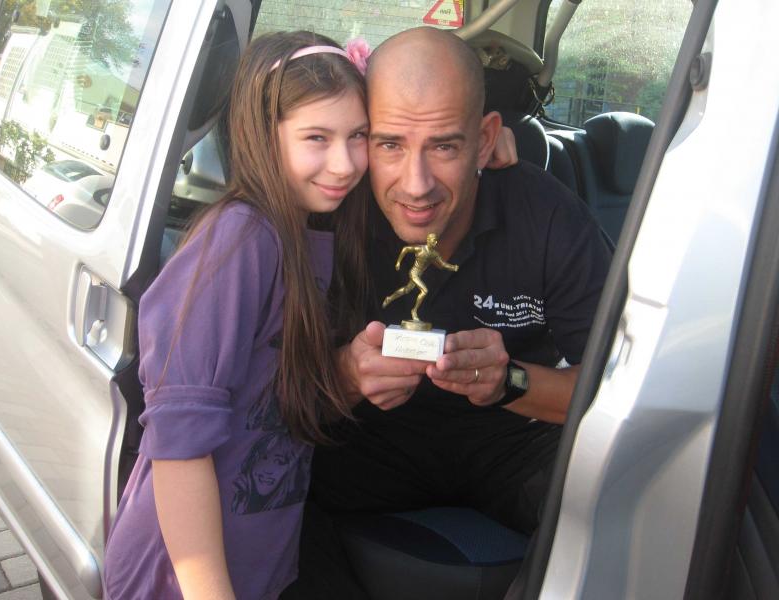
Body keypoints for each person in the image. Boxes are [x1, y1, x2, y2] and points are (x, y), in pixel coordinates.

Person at [286, 26, 613, 597]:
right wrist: (345, 376)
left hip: (509, 443)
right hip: (363, 446)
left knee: (615, 500)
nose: (416, 186)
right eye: (390, 145)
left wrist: (509, 382)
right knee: (277, 501)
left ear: (485, 141)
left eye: (445, 147)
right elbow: (260, 400)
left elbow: (613, 397)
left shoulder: (547, 216)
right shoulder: (329, 212)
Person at [104, 30, 373, 600]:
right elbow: (180, 448)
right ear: (261, 134)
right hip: (180, 579)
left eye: (359, 136)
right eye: (317, 137)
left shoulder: (305, 235)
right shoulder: (239, 240)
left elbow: (269, 407)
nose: (345, 163)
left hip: (256, 569)